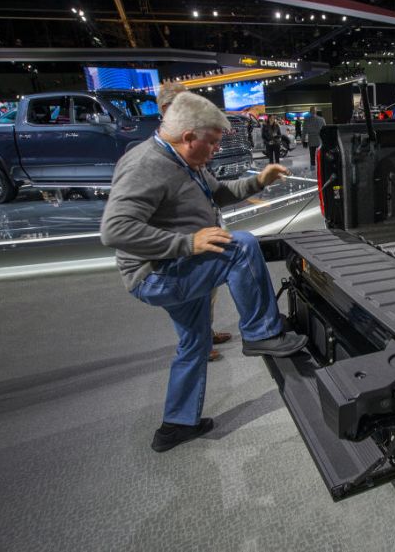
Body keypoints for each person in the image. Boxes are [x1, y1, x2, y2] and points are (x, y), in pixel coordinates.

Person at [101, 92, 307, 452]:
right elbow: (114, 230)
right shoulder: (146, 165)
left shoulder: (184, 162)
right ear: (188, 137)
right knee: (239, 246)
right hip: (157, 275)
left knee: (194, 343)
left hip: (177, 269)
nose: (214, 150)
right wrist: (187, 244)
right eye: (211, 142)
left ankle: (176, 425)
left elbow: (221, 194)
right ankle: (261, 333)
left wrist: (260, 180)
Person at [157, 82, 231, 360]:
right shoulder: (161, 147)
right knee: (189, 292)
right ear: (166, 109)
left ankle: (205, 334)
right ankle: (196, 344)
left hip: (204, 225)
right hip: (182, 235)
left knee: (207, 287)